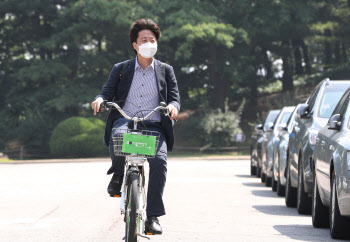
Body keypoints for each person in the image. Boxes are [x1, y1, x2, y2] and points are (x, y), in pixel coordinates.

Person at [91, 18, 180, 235]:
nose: (149, 43)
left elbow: (175, 98)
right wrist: (100, 99)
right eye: (144, 39)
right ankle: (119, 174)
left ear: (156, 43)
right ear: (135, 45)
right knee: (118, 136)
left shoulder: (166, 70)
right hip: (125, 119)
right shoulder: (121, 68)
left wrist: (172, 106)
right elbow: (106, 91)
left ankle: (153, 217)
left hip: (154, 124)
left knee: (159, 162)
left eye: (152, 39)